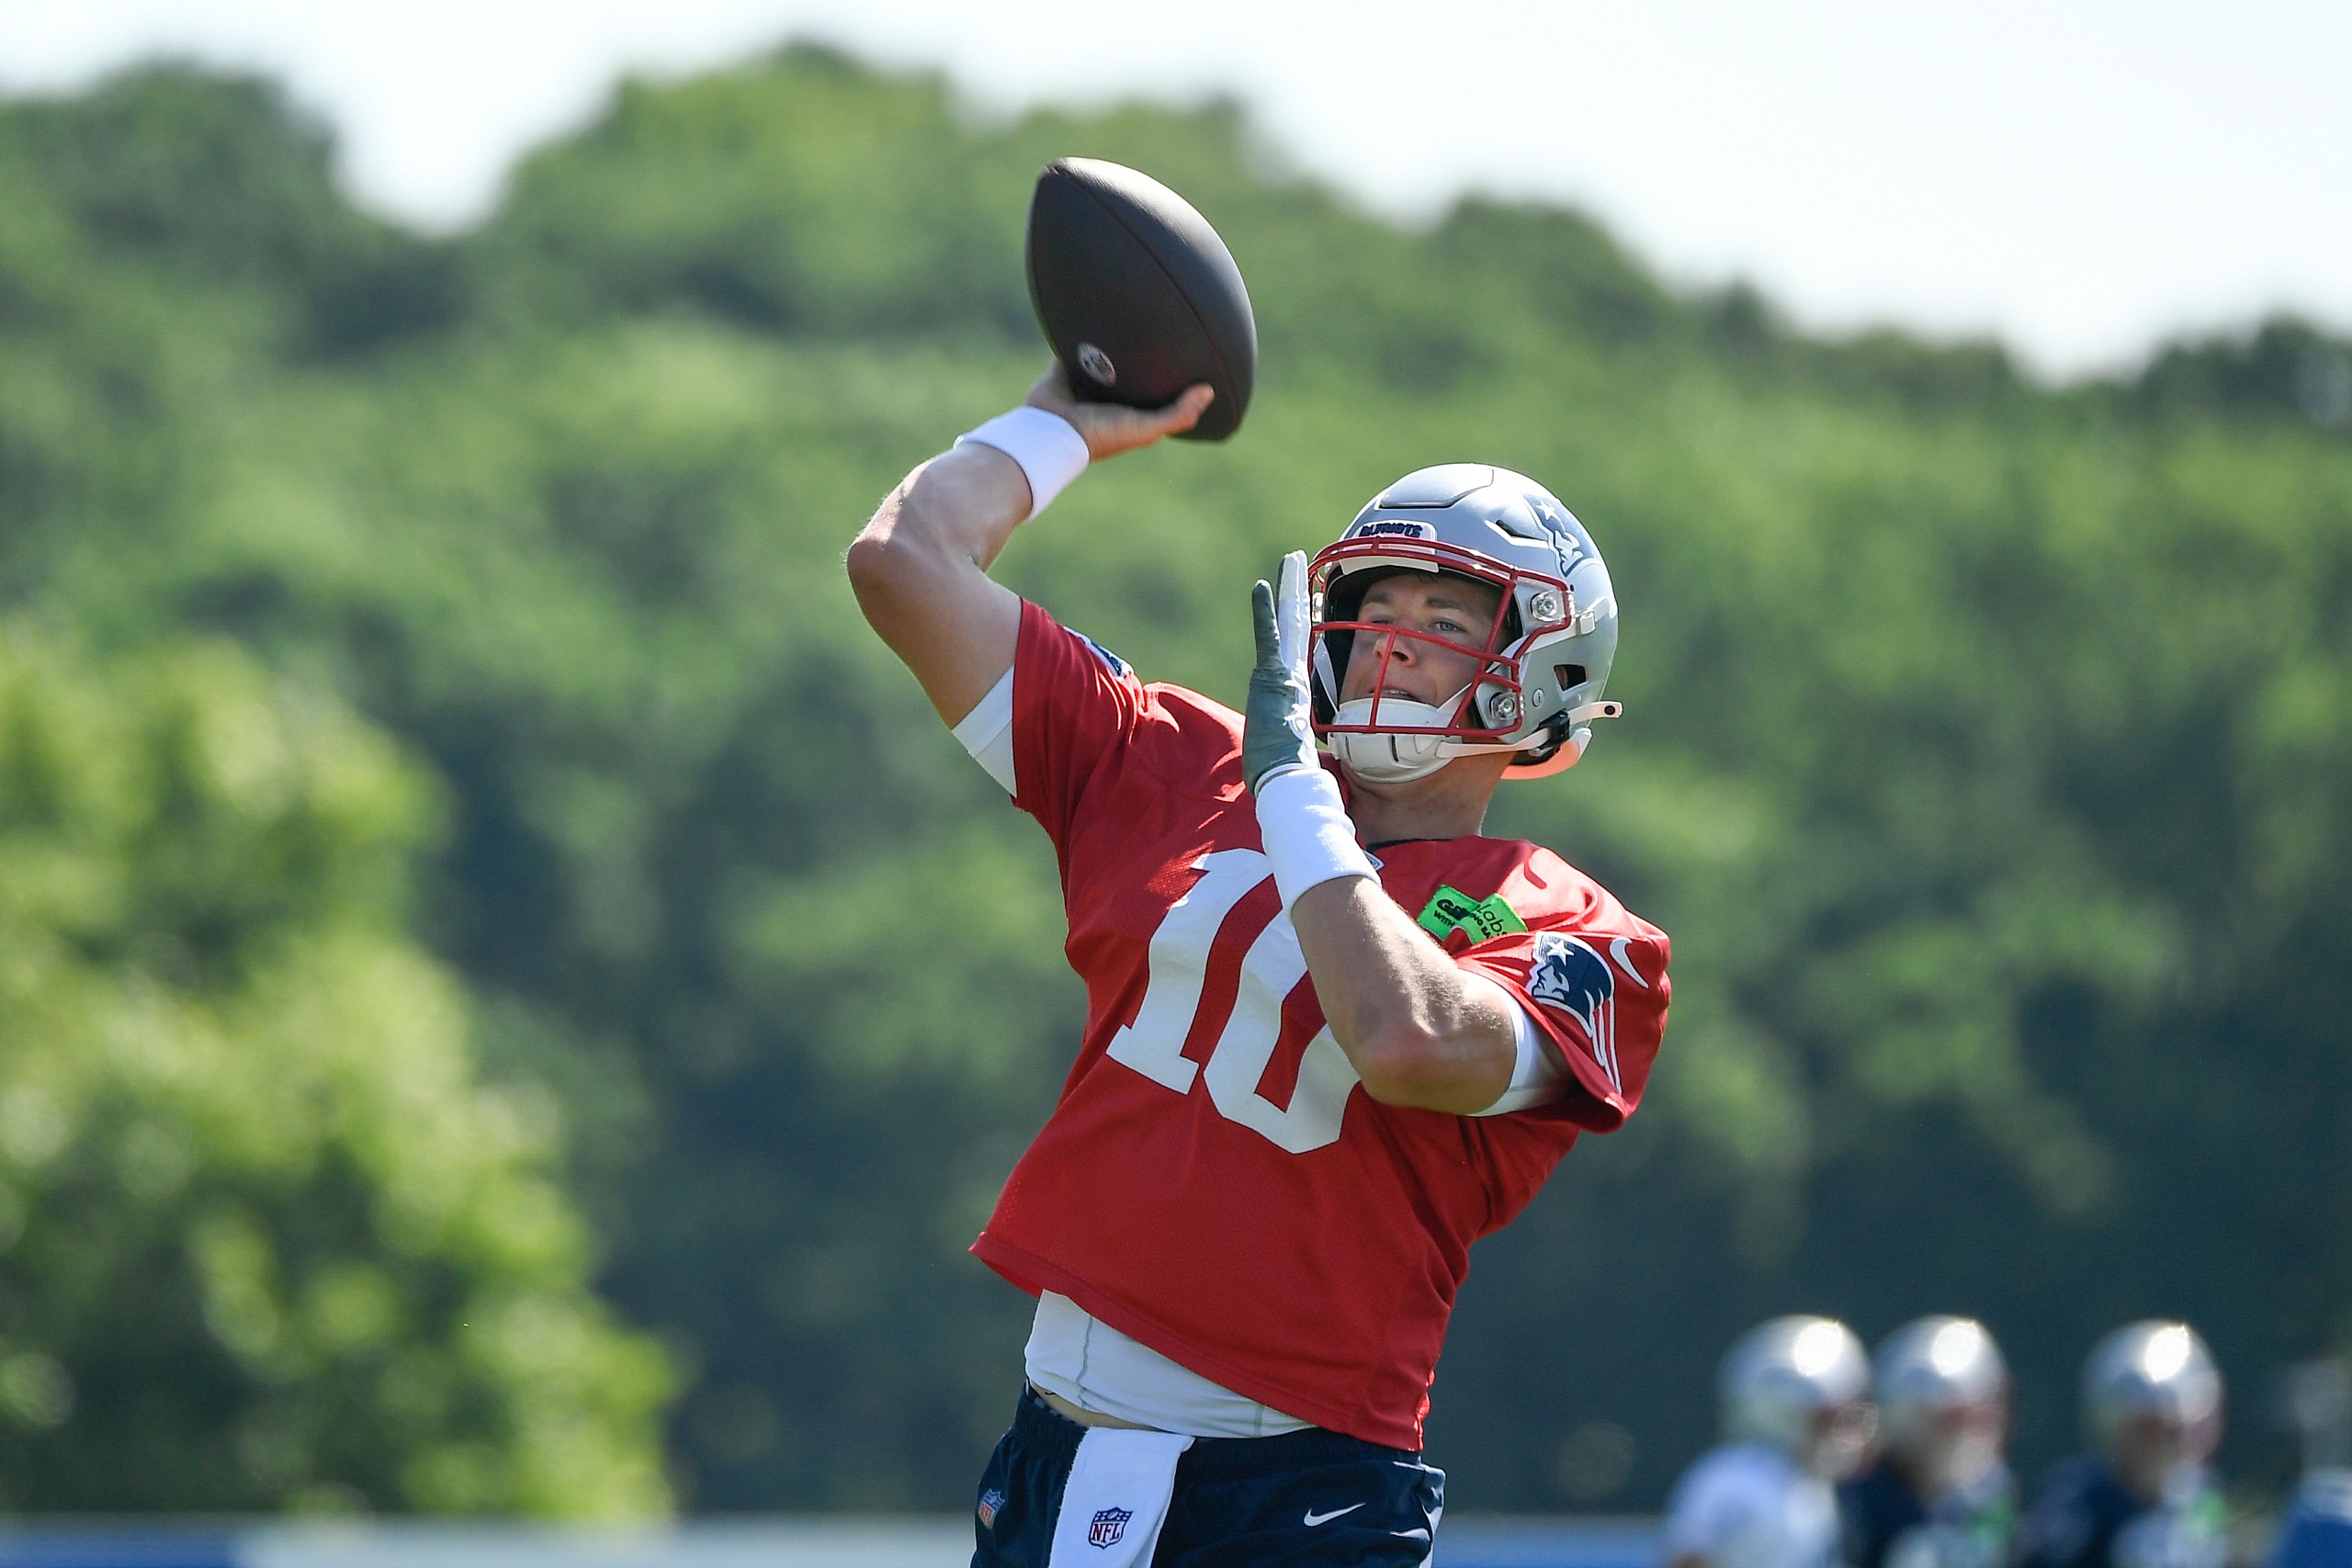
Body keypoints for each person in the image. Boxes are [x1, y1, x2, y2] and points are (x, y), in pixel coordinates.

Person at [846, 367, 1669, 1567]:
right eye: (1378, 602)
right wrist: (1065, 422)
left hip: (1293, 1490)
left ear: (1540, 672)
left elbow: (1408, 1040)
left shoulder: (1578, 930)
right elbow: (905, 564)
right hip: (1053, 1449)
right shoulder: (1183, 764)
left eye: (1447, 624)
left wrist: (1293, 799)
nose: (1393, 641)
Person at [1663, 1315, 1878, 1568]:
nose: (1840, 1430)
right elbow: (1688, 1560)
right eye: (1826, 1418)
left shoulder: (1814, 1485)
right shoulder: (1732, 1479)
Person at [2015, 1322, 2228, 1568]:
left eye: (2171, 1429)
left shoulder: (2202, 1495)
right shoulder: (2079, 1499)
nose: (2159, 1443)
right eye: (2149, 1429)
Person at [1838, 1316, 2017, 1568]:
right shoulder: (1855, 1499)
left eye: (1973, 1417)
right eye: (1950, 1419)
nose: (1960, 1435)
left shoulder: (1990, 1493)